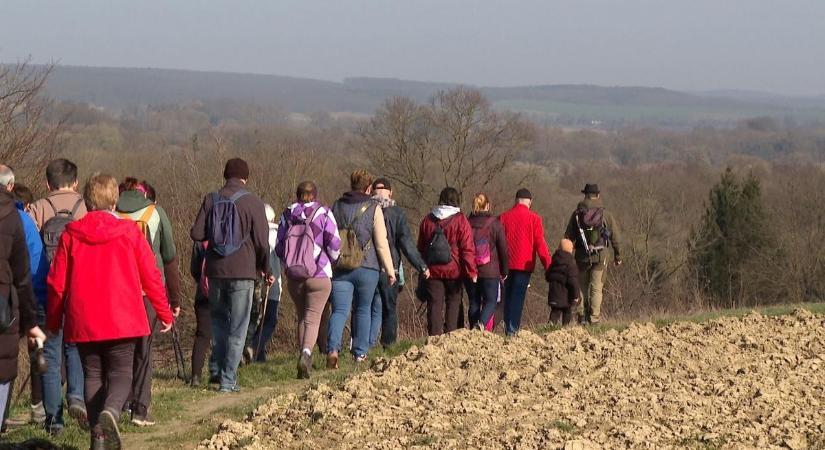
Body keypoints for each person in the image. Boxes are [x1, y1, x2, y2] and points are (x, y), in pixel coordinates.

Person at [46, 173, 174, 450]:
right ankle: (112, 412)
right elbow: (151, 276)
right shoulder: (129, 232)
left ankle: (98, 440)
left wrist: (54, 322)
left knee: (92, 376)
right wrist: (165, 313)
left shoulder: (71, 235)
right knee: (121, 375)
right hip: (122, 317)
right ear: (114, 200)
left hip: (84, 320)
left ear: (87, 201)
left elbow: (57, 285)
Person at [190, 158, 271, 393]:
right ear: (245, 177)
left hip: (215, 271)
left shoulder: (211, 199)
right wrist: (265, 268)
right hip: (244, 271)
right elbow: (263, 243)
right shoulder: (253, 202)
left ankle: (215, 369)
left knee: (218, 324)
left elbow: (196, 233)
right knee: (238, 327)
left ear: (225, 175)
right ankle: (228, 379)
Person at [26, 159, 87, 433]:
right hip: (79, 291)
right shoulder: (85, 208)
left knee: (49, 355)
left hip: (47, 292)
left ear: (48, 183)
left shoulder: (38, 208)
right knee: (76, 348)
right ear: (75, 182)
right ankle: (76, 397)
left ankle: (54, 421)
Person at [116, 177, 180, 426]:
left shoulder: (112, 212)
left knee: (120, 351)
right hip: (148, 293)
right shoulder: (155, 212)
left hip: (118, 292)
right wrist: (173, 299)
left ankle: (118, 404)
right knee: (144, 350)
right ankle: (140, 410)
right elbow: (170, 257)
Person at [328, 170, 394, 367]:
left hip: (341, 266)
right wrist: (390, 270)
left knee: (339, 310)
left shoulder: (337, 206)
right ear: (368, 188)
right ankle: (360, 353)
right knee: (363, 309)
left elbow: (329, 236)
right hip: (368, 266)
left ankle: (332, 350)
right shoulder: (374, 208)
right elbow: (381, 243)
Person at [275, 181, 341, 378]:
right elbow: (334, 243)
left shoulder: (287, 214)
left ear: (297, 194)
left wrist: (289, 262)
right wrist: (333, 261)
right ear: (315, 194)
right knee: (313, 318)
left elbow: (279, 246)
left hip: (295, 275)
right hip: (319, 274)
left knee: (302, 317)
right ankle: (306, 354)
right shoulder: (323, 213)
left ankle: (303, 356)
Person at [0, 168, 49, 428]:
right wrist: (33, 316)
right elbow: (29, 271)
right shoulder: (18, 220)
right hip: (9, 308)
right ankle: (30, 410)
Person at [369, 178, 429, 348]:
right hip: (390, 269)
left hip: (366, 268)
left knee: (364, 309)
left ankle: (363, 349)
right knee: (389, 310)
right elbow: (406, 244)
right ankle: (388, 347)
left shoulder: (365, 209)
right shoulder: (397, 213)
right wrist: (421, 266)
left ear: (372, 191)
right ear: (390, 192)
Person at [417, 187, 477, 336]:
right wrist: (471, 271)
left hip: (432, 270)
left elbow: (420, 247)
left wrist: (423, 267)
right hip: (454, 271)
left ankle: (434, 339)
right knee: (454, 303)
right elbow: (467, 248)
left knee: (434, 305)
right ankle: (451, 337)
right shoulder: (461, 220)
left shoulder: (428, 219)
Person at [564, 184, 623, 324]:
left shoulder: (577, 214)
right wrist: (618, 256)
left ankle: (582, 317)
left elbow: (568, 236)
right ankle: (594, 318)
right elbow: (616, 237)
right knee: (597, 288)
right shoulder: (605, 214)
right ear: (598, 195)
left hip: (581, 256)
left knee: (581, 286)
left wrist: (565, 256)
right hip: (601, 256)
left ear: (585, 195)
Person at [498, 188, 552, 336]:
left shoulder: (503, 217)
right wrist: (548, 265)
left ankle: (507, 329)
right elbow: (540, 244)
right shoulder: (535, 219)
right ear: (530, 201)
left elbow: (496, 243)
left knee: (507, 297)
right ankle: (512, 330)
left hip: (505, 265)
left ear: (516, 200)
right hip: (524, 265)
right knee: (518, 298)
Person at [465, 193, 508, 330]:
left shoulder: (466, 223)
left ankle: (472, 330)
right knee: (490, 301)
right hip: (490, 271)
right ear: (488, 205)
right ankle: (481, 324)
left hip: (470, 269)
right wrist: (505, 270)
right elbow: (503, 249)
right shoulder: (495, 224)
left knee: (474, 302)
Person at [250, 204, 283, 362]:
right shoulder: (277, 234)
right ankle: (253, 348)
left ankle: (259, 354)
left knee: (254, 319)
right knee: (270, 319)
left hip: (253, 281)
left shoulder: (251, 232)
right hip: (272, 282)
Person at [188, 241, 215, 387]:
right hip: (224, 291)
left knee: (202, 335)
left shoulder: (200, 239)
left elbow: (194, 269)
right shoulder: (230, 231)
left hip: (203, 293)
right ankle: (219, 373)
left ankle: (196, 376)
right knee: (223, 332)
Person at [546, 239, 581, 326]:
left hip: (554, 294)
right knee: (567, 312)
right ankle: (565, 330)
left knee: (555, 312)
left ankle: (550, 327)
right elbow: (574, 281)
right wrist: (576, 295)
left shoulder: (554, 261)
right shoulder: (571, 263)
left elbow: (547, 276)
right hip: (566, 296)